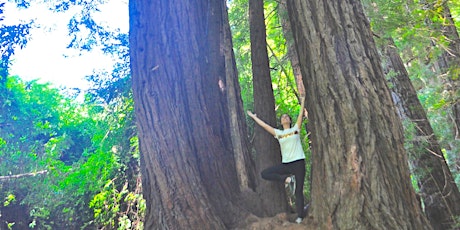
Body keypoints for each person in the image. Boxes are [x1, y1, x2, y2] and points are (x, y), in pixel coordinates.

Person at [247, 97, 306, 224]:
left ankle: (300, 216)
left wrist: (303, 99)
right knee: (265, 173)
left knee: (298, 191)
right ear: (281, 121)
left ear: (290, 120)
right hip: (287, 164)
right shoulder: (279, 133)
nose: (284, 118)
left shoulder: (295, 129)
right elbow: (264, 126)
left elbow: (301, 114)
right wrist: (253, 117)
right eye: (282, 117)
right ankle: (287, 179)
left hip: (299, 162)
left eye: (287, 117)